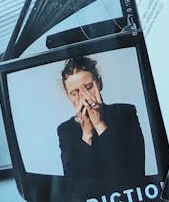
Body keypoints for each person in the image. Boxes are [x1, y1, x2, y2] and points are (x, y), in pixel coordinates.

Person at [55, 56, 147, 202]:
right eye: (75, 93)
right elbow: (78, 189)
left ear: (100, 83)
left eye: (89, 87)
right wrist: (87, 135)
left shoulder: (125, 113)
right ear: (68, 97)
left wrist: (99, 124)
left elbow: (133, 174)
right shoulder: (66, 131)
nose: (84, 96)